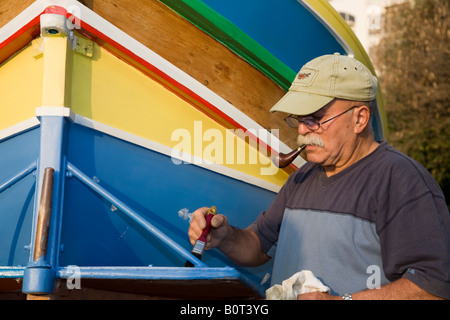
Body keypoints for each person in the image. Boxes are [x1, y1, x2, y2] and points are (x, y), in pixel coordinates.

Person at [188, 53, 450, 300]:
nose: (302, 130)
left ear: (359, 119)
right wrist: (225, 237)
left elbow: (434, 286)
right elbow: (258, 246)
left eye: (315, 118)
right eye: (300, 119)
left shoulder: (402, 180)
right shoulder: (302, 178)